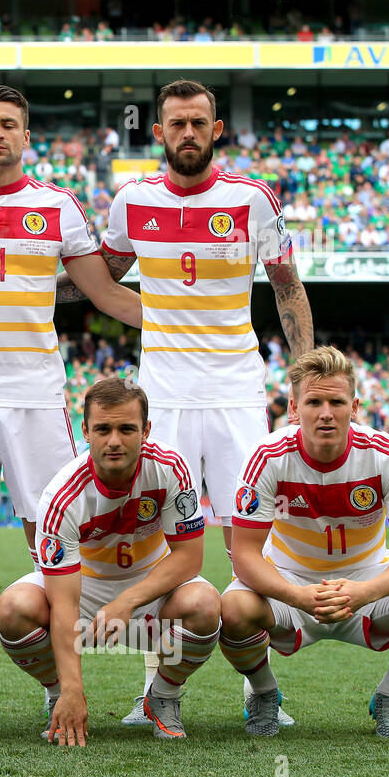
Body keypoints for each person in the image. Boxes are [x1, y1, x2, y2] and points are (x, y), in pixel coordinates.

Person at [0, 84, 141, 719]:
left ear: (26, 136)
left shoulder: (57, 206)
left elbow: (100, 289)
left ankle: (52, 682)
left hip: (35, 391)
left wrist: (181, 321)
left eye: (9, 124)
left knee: (51, 528)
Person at [94, 77, 314, 726]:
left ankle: (260, 691)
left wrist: (304, 378)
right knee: (156, 539)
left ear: (217, 130)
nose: (187, 133)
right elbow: (95, 280)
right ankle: (156, 693)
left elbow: (288, 289)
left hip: (237, 391)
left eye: (198, 123)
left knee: (254, 535)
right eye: (175, 124)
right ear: (158, 132)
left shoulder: (251, 199)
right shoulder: (130, 202)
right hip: (160, 395)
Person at [222, 346, 389, 739]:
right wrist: (299, 597)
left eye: (336, 401)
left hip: (367, 579)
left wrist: (364, 591)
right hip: (290, 580)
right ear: (294, 407)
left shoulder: (386, 455)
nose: (325, 412)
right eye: (314, 401)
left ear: (355, 406)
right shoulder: (268, 456)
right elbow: (243, 555)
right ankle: (263, 693)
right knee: (233, 608)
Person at [0, 377, 221, 745]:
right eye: (103, 429)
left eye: (126, 429)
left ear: (146, 430)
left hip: (151, 591)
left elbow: (189, 557)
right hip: (82, 594)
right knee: (13, 608)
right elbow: (63, 601)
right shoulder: (60, 496)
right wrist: (73, 687)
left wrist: (127, 601)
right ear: (84, 430)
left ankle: (162, 698)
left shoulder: (171, 468)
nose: (114, 440)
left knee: (205, 604)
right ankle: (60, 695)